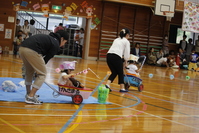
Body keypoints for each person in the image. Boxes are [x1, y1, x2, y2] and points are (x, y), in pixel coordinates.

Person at [19, 30, 69, 104]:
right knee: (42, 74)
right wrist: (39, 71)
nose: (63, 45)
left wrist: (37, 69)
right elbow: (45, 60)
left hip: (22, 48)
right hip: (32, 50)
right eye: (65, 42)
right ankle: (31, 97)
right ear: (62, 39)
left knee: (29, 71)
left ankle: (28, 93)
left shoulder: (49, 38)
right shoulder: (55, 44)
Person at [105, 28, 130, 92]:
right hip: (116, 57)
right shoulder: (126, 41)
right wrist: (126, 62)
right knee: (120, 73)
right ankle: (122, 88)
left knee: (114, 72)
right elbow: (127, 54)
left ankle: (107, 85)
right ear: (127, 35)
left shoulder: (116, 39)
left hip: (108, 56)